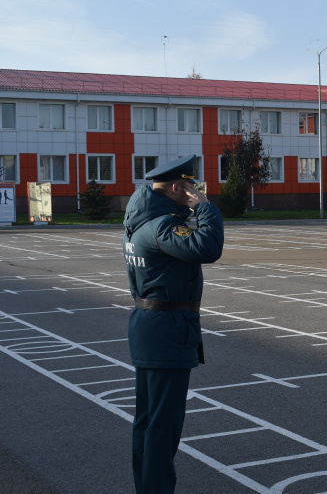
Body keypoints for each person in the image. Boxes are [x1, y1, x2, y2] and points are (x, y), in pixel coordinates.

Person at [123, 155, 224, 494]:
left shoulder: (143, 220)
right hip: (166, 331)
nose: (197, 191)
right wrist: (206, 208)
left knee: (149, 422)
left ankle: (147, 487)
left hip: (152, 328)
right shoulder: (163, 225)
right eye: (192, 187)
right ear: (179, 187)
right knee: (162, 427)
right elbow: (207, 247)